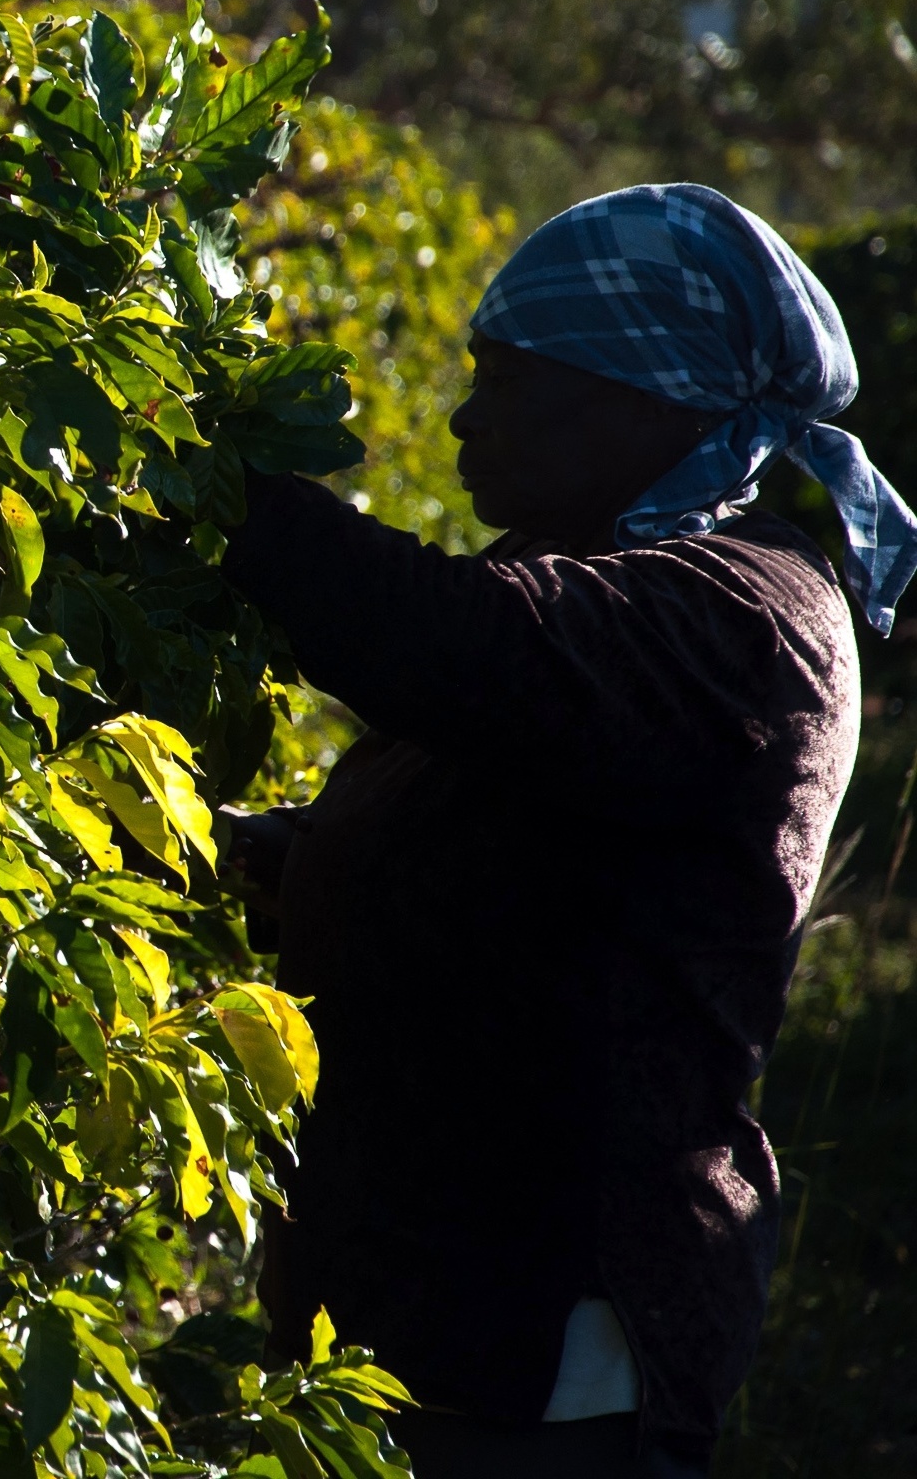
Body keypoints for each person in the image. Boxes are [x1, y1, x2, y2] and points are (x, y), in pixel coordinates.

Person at [218, 184, 917, 1479]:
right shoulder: (609, 578)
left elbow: (454, 649)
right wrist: (254, 855)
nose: (461, 415)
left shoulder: (735, 615)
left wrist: (204, 480)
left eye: (505, 380)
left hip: (545, 1351)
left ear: (640, 399)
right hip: (421, 1316)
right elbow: (484, 834)